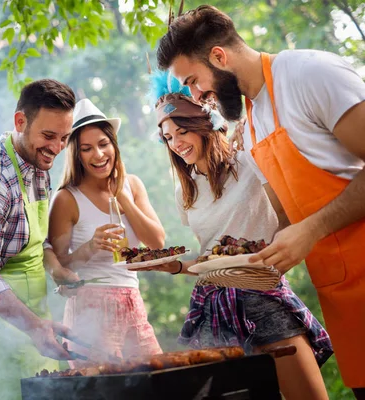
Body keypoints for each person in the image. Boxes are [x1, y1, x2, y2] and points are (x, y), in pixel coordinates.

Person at [156, 5, 365, 394]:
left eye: (194, 81)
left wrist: (313, 228)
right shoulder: (250, 126)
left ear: (219, 57)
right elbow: (286, 219)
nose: (197, 95)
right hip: (341, 295)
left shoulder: (308, 73)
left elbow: (307, 222)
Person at [146, 70, 332, 400]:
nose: (176, 143)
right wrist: (175, 266)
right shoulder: (184, 191)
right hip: (212, 308)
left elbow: (287, 215)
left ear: (203, 125)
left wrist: (277, 259)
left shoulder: (247, 161)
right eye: (168, 137)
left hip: (263, 297)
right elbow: (212, 262)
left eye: (182, 131)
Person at [0, 79, 81, 400]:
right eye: (48, 136)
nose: (57, 148)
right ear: (20, 121)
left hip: (33, 317)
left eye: (64, 137)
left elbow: (34, 243)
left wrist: (57, 271)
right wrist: (35, 326)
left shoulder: (37, 165)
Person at [48, 98, 164, 367]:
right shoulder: (67, 198)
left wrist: (124, 199)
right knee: (105, 391)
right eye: (87, 149)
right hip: (90, 309)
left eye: (103, 144)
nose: (98, 155)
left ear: (114, 145)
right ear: (76, 155)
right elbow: (59, 266)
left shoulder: (132, 185)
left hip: (132, 301)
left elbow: (157, 241)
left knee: (158, 381)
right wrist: (90, 247)